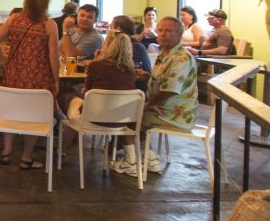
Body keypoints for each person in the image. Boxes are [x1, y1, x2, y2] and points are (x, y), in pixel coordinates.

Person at [113, 17, 198, 177]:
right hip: (166, 109)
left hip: (173, 114)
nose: (163, 34)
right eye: (160, 30)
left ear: (179, 34)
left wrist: (147, 105)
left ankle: (130, 162)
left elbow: (170, 90)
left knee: (125, 116)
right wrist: (147, 77)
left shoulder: (181, 58)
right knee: (133, 112)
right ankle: (149, 158)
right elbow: (165, 81)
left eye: (168, 31)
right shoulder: (164, 53)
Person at [0, 0, 59, 169]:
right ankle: (26, 157)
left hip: (13, 74)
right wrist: (56, 78)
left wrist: (2, 61)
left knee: (11, 112)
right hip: (38, 79)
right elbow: (53, 56)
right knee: (34, 117)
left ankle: (6, 151)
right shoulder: (49, 24)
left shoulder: (14, 19)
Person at [64, 29, 137, 158]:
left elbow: (87, 92)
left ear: (107, 46)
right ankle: (62, 148)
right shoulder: (131, 71)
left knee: (67, 97)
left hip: (94, 119)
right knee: (77, 106)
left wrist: (97, 58)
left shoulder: (96, 66)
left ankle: (60, 150)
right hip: (121, 121)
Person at [110, 15, 152, 92]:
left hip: (134, 92)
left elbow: (134, 70)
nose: (109, 32)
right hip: (127, 87)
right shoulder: (129, 44)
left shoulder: (135, 48)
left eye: (111, 28)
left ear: (118, 30)